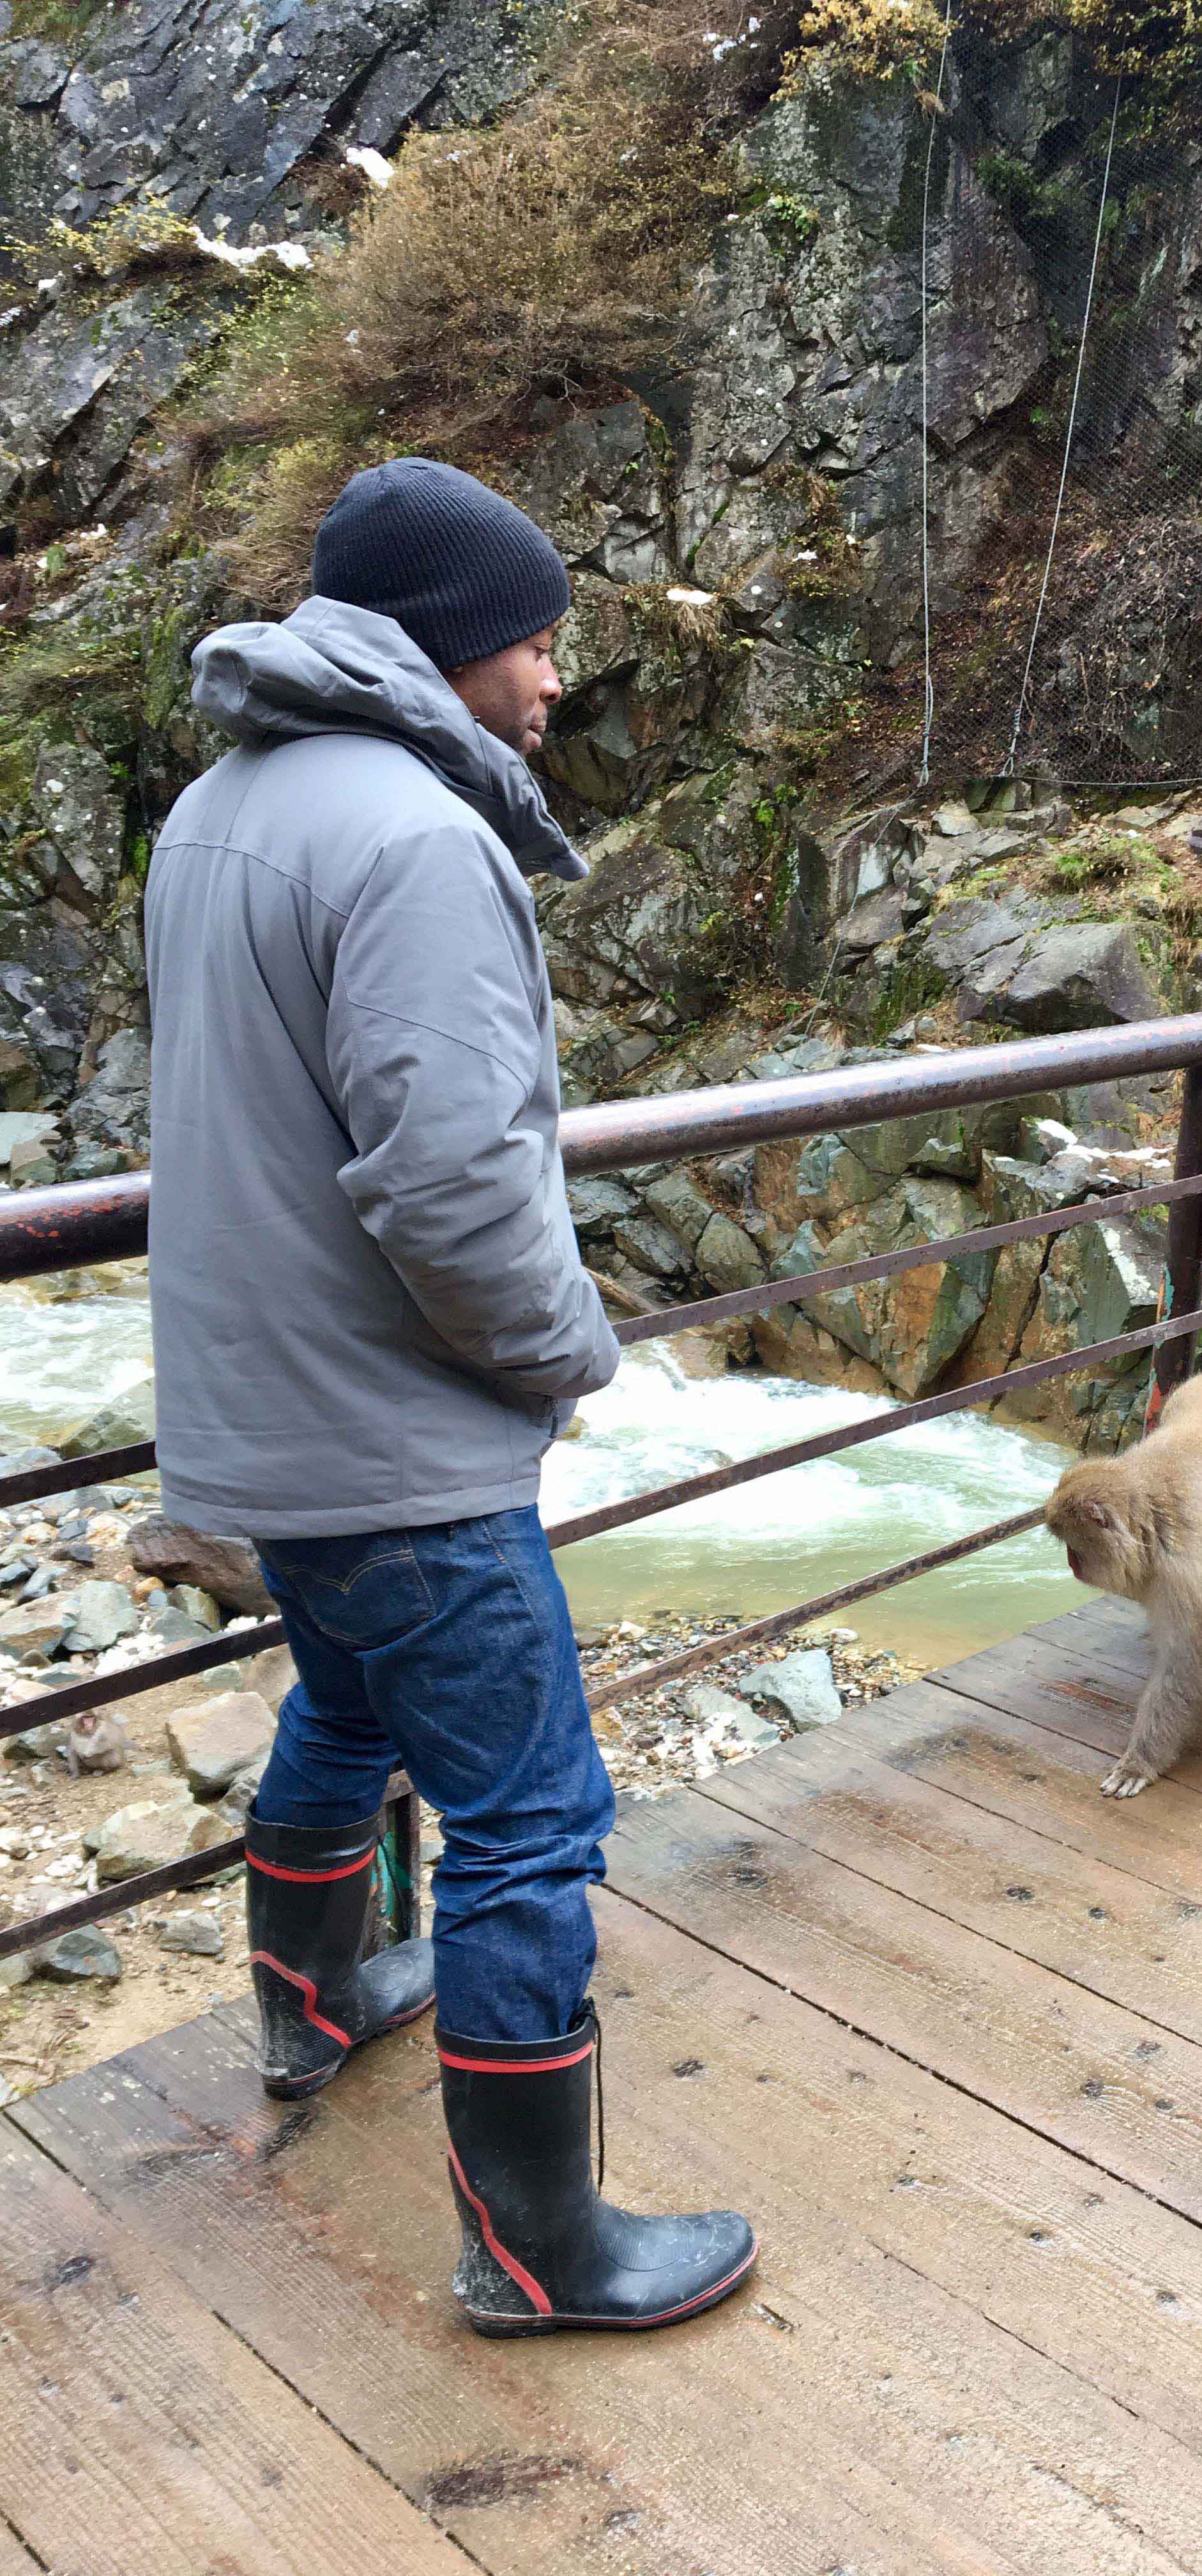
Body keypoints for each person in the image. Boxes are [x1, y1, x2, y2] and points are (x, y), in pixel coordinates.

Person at [143, 458, 757, 2338]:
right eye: (538, 638)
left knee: (343, 1707)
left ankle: (311, 2008)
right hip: (396, 1441)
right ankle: (539, 2251)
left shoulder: (218, 808)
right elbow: (454, 1185)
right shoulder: (414, 838)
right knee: (531, 1821)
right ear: (448, 639)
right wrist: (570, 1355)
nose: (558, 675)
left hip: (263, 1418)